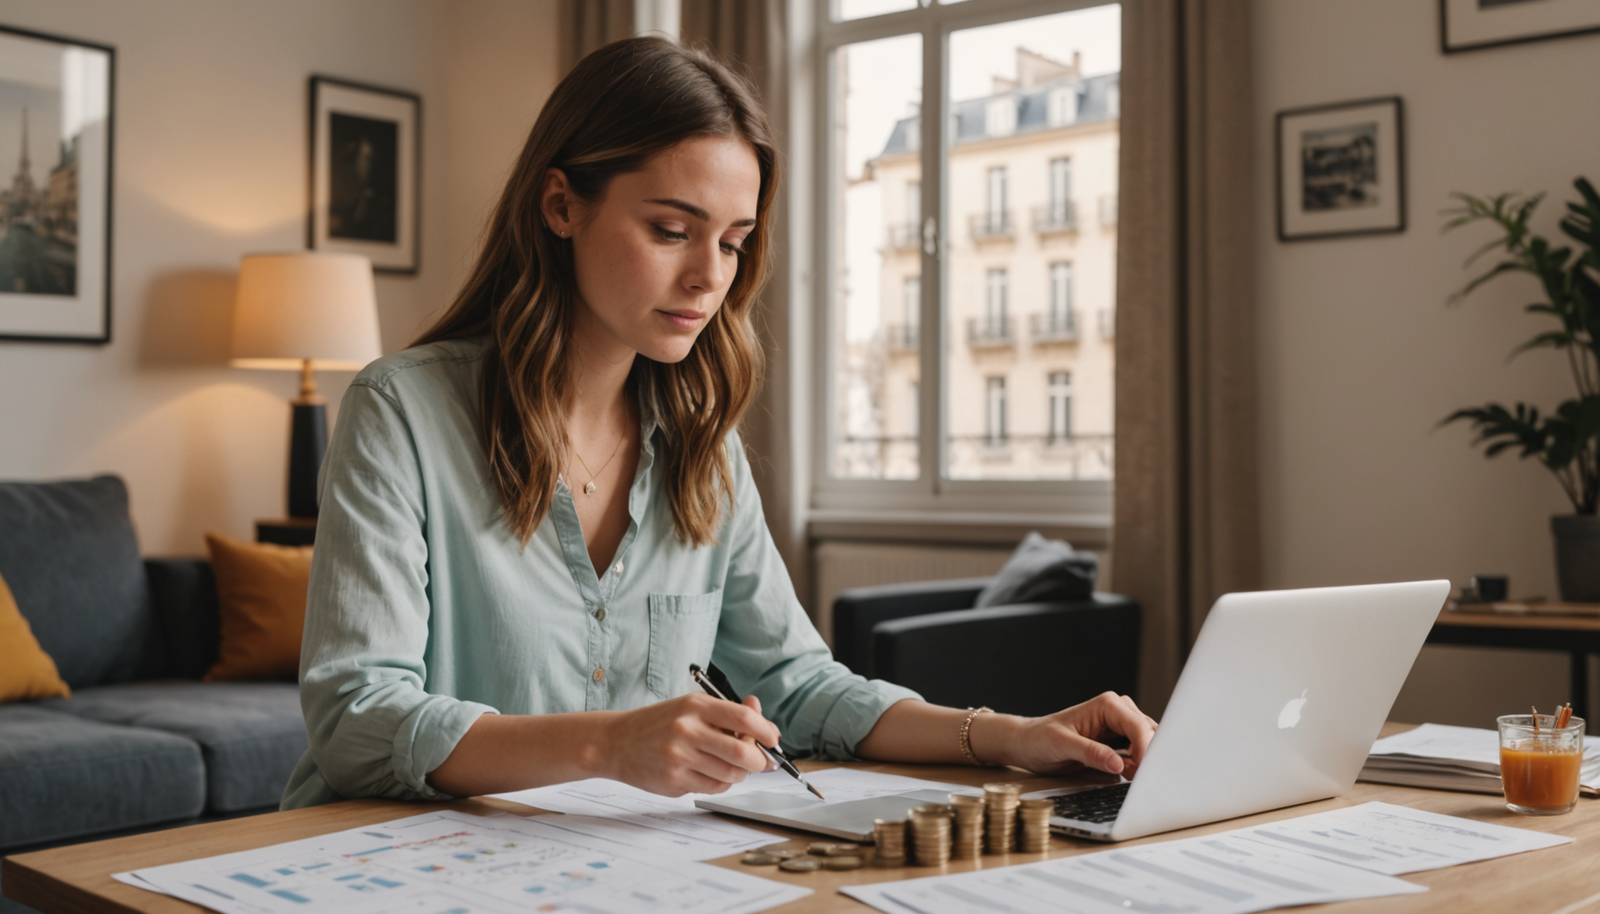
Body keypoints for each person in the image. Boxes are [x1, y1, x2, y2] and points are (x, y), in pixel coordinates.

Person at [281, 37, 1155, 810]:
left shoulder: (705, 449)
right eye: (672, 229)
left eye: (734, 241)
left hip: (612, 871)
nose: (711, 276)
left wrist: (1008, 736)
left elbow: (802, 687)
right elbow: (358, 719)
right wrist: (610, 745)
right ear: (561, 206)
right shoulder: (401, 412)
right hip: (381, 867)